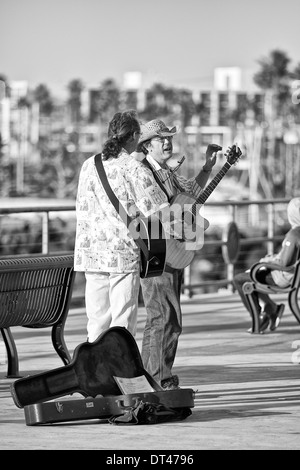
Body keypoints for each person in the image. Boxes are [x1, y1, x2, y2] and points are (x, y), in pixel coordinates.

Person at [135, 118, 224, 390]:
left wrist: (208, 167)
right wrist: (191, 225)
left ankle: (154, 378)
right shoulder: (144, 173)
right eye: (161, 139)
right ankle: (160, 380)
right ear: (148, 146)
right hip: (156, 252)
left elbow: (192, 197)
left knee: (164, 319)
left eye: (169, 137)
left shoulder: (168, 172)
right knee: (164, 318)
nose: (167, 142)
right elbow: (157, 215)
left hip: (172, 250)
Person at [74, 110, 171, 343]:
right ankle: (121, 370)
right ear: (135, 136)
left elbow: (81, 205)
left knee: (96, 321)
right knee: (122, 320)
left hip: (92, 254)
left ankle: (97, 371)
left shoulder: (89, 164)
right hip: (122, 254)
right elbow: (158, 209)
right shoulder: (134, 167)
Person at [234, 197, 300, 333]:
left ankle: (259, 317)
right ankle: (271, 309)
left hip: (284, 277)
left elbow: (285, 263)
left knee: (240, 279)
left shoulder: (294, 234)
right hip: (293, 275)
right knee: (252, 273)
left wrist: (267, 262)